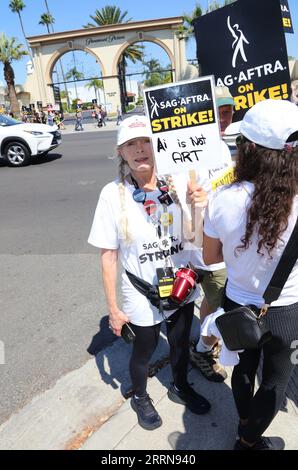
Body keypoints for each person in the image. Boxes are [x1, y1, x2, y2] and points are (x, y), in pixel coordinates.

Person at [88, 115, 211, 431]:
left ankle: (181, 385)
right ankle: (140, 395)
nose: (140, 149)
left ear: (157, 146)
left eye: (146, 141)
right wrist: (114, 309)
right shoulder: (112, 194)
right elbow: (108, 256)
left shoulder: (181, 182)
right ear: (121, 152)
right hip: (140, 288)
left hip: (181, 283)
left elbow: (194, 238)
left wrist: (197, 208)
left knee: (181, 343)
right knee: (144, 347)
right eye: (131, 144)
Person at [203, 99, 298, 450]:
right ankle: (247, 440)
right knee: (276, 381)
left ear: (250, 150)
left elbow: (211, 258)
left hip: (237, 303)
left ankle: (244, 425)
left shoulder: (221, 199)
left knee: (243, 370)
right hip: (288, 311)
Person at [189, 86, 235, 382]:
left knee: (213, 298)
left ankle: (206, 342)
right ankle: (202, 350)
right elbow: (178, 193)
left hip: (223, 238)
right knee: (223, 302)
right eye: (216, 111)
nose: (222, 117)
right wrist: (193, 199)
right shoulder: (191, 147)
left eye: (227, 110)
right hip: (205, 244)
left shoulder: (221, 144)